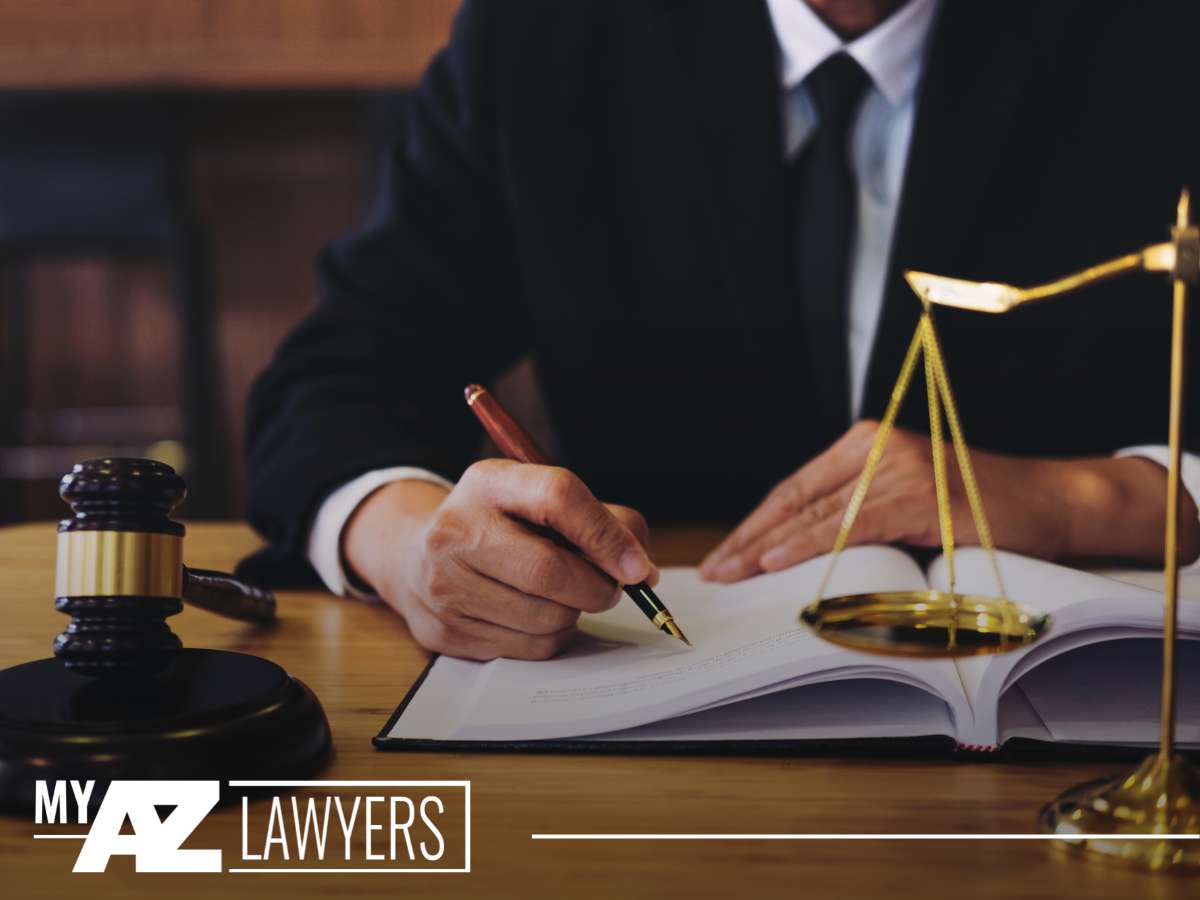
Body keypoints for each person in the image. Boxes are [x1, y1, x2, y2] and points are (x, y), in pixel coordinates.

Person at [244, 0, 1200, 661]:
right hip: (646, 709)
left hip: (1052, 733)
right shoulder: (545, 34)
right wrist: (417, 553)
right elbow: (331, 386)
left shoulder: (1161, 41)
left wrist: (1083, 500)